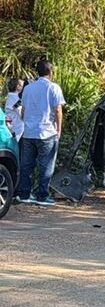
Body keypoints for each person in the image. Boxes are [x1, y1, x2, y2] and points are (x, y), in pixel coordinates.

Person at [13, 60, 65, 206]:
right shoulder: (53, 87)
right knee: (46, 165)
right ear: (51, 72)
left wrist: (26, 122)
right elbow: (58, 110)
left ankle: (24, 194)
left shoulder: (28, 88)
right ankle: (42, 196)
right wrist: (58, 129)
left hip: (29, 132)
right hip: (47, 132)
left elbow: (23, 109)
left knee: (26, 165)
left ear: (38, 72)